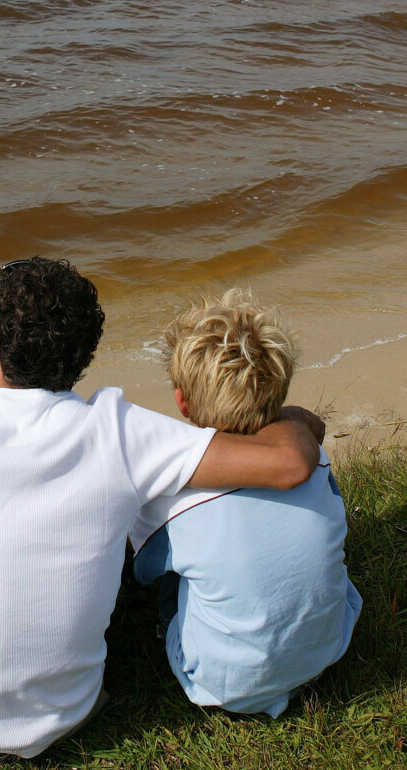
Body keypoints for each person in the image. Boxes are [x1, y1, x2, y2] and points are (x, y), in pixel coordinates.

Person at [0, 257, 323, 757]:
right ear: (86, 355)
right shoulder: (121, 432)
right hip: (71, 711)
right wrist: (295, 416)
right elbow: (288, 463)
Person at [131, 289, 361, 718]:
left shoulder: (174, 499)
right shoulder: (315, 460)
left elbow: (144, 572)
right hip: (327, 651)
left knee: (166, 576)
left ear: (182, 401)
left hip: (222, 684)